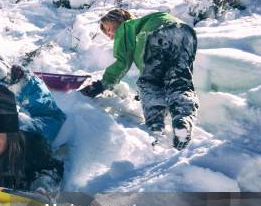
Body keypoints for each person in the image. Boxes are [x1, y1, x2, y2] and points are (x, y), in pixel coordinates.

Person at [80, 9, 198, 150]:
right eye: (107, 34)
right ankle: (183, 121)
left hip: (157, 33)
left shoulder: (125, 27)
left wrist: (101, 85)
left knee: (149, 84)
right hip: (186, 33)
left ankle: (156, 129)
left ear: (118, 20)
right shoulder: (142, 23)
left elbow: (122, 62)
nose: (110, 35)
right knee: (179, 81)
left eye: (109, 29)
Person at [0, 52, 66, 145]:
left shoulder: (30, 85)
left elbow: (39, 102)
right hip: (38, 118)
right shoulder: (15, 84)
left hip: (50, 122)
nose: (3, 81)